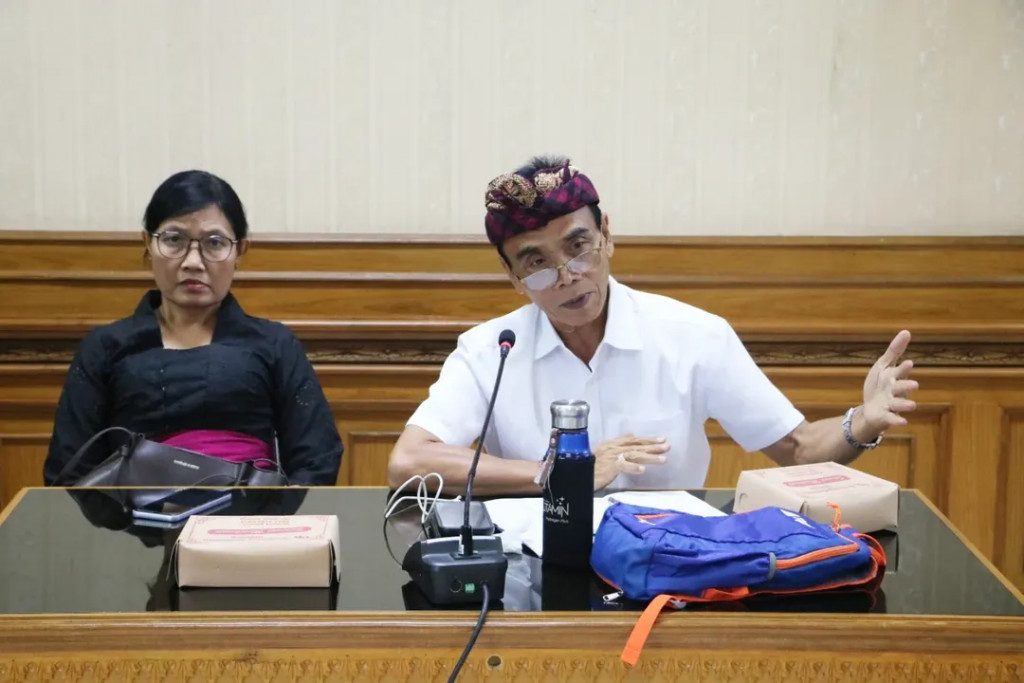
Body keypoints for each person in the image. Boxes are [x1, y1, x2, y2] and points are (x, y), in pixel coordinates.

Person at [387, 155, 918, 495]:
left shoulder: (694, 335)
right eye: (538, 263)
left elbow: (798, 448)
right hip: (534, 569)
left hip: (671, 571)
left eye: (578, 247)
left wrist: (862, 422)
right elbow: (409, 461)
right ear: (513, 277)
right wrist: (561, 473)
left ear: (607, 236)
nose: (568, 276)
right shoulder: (491, 350)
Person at [44, 170, 342, 486]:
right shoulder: (105, 347)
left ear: (239, 251)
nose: (193, 262)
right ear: (147, 243)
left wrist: (268, 514)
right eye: (174, 240)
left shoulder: (274, 344)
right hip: (135, 515)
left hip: (249, 513)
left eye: (214, 243)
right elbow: (68, 472)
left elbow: (317, 459)